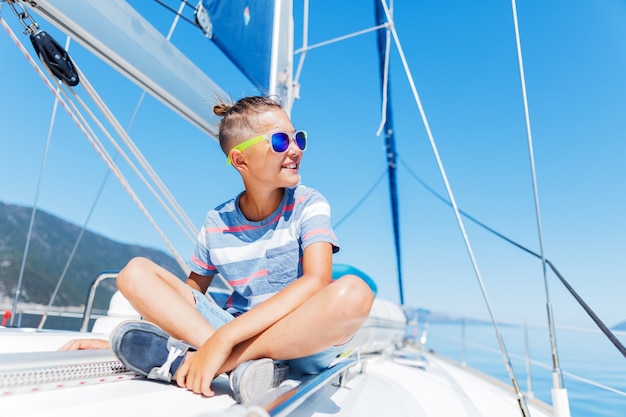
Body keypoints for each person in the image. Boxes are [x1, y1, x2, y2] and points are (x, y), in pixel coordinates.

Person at [61, 95, 375, 401]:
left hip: (303, 340)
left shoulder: (308, 203)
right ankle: (236, 363)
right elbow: (188, 297)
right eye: (280, 141)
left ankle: (221, 361)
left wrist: (223, 342)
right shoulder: (217, 222)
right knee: (134, 273)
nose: (295, 150)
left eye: (298, 139)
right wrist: (111, 341)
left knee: (354, 293)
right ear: (241, 160)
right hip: (234, 332)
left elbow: (316, 280)